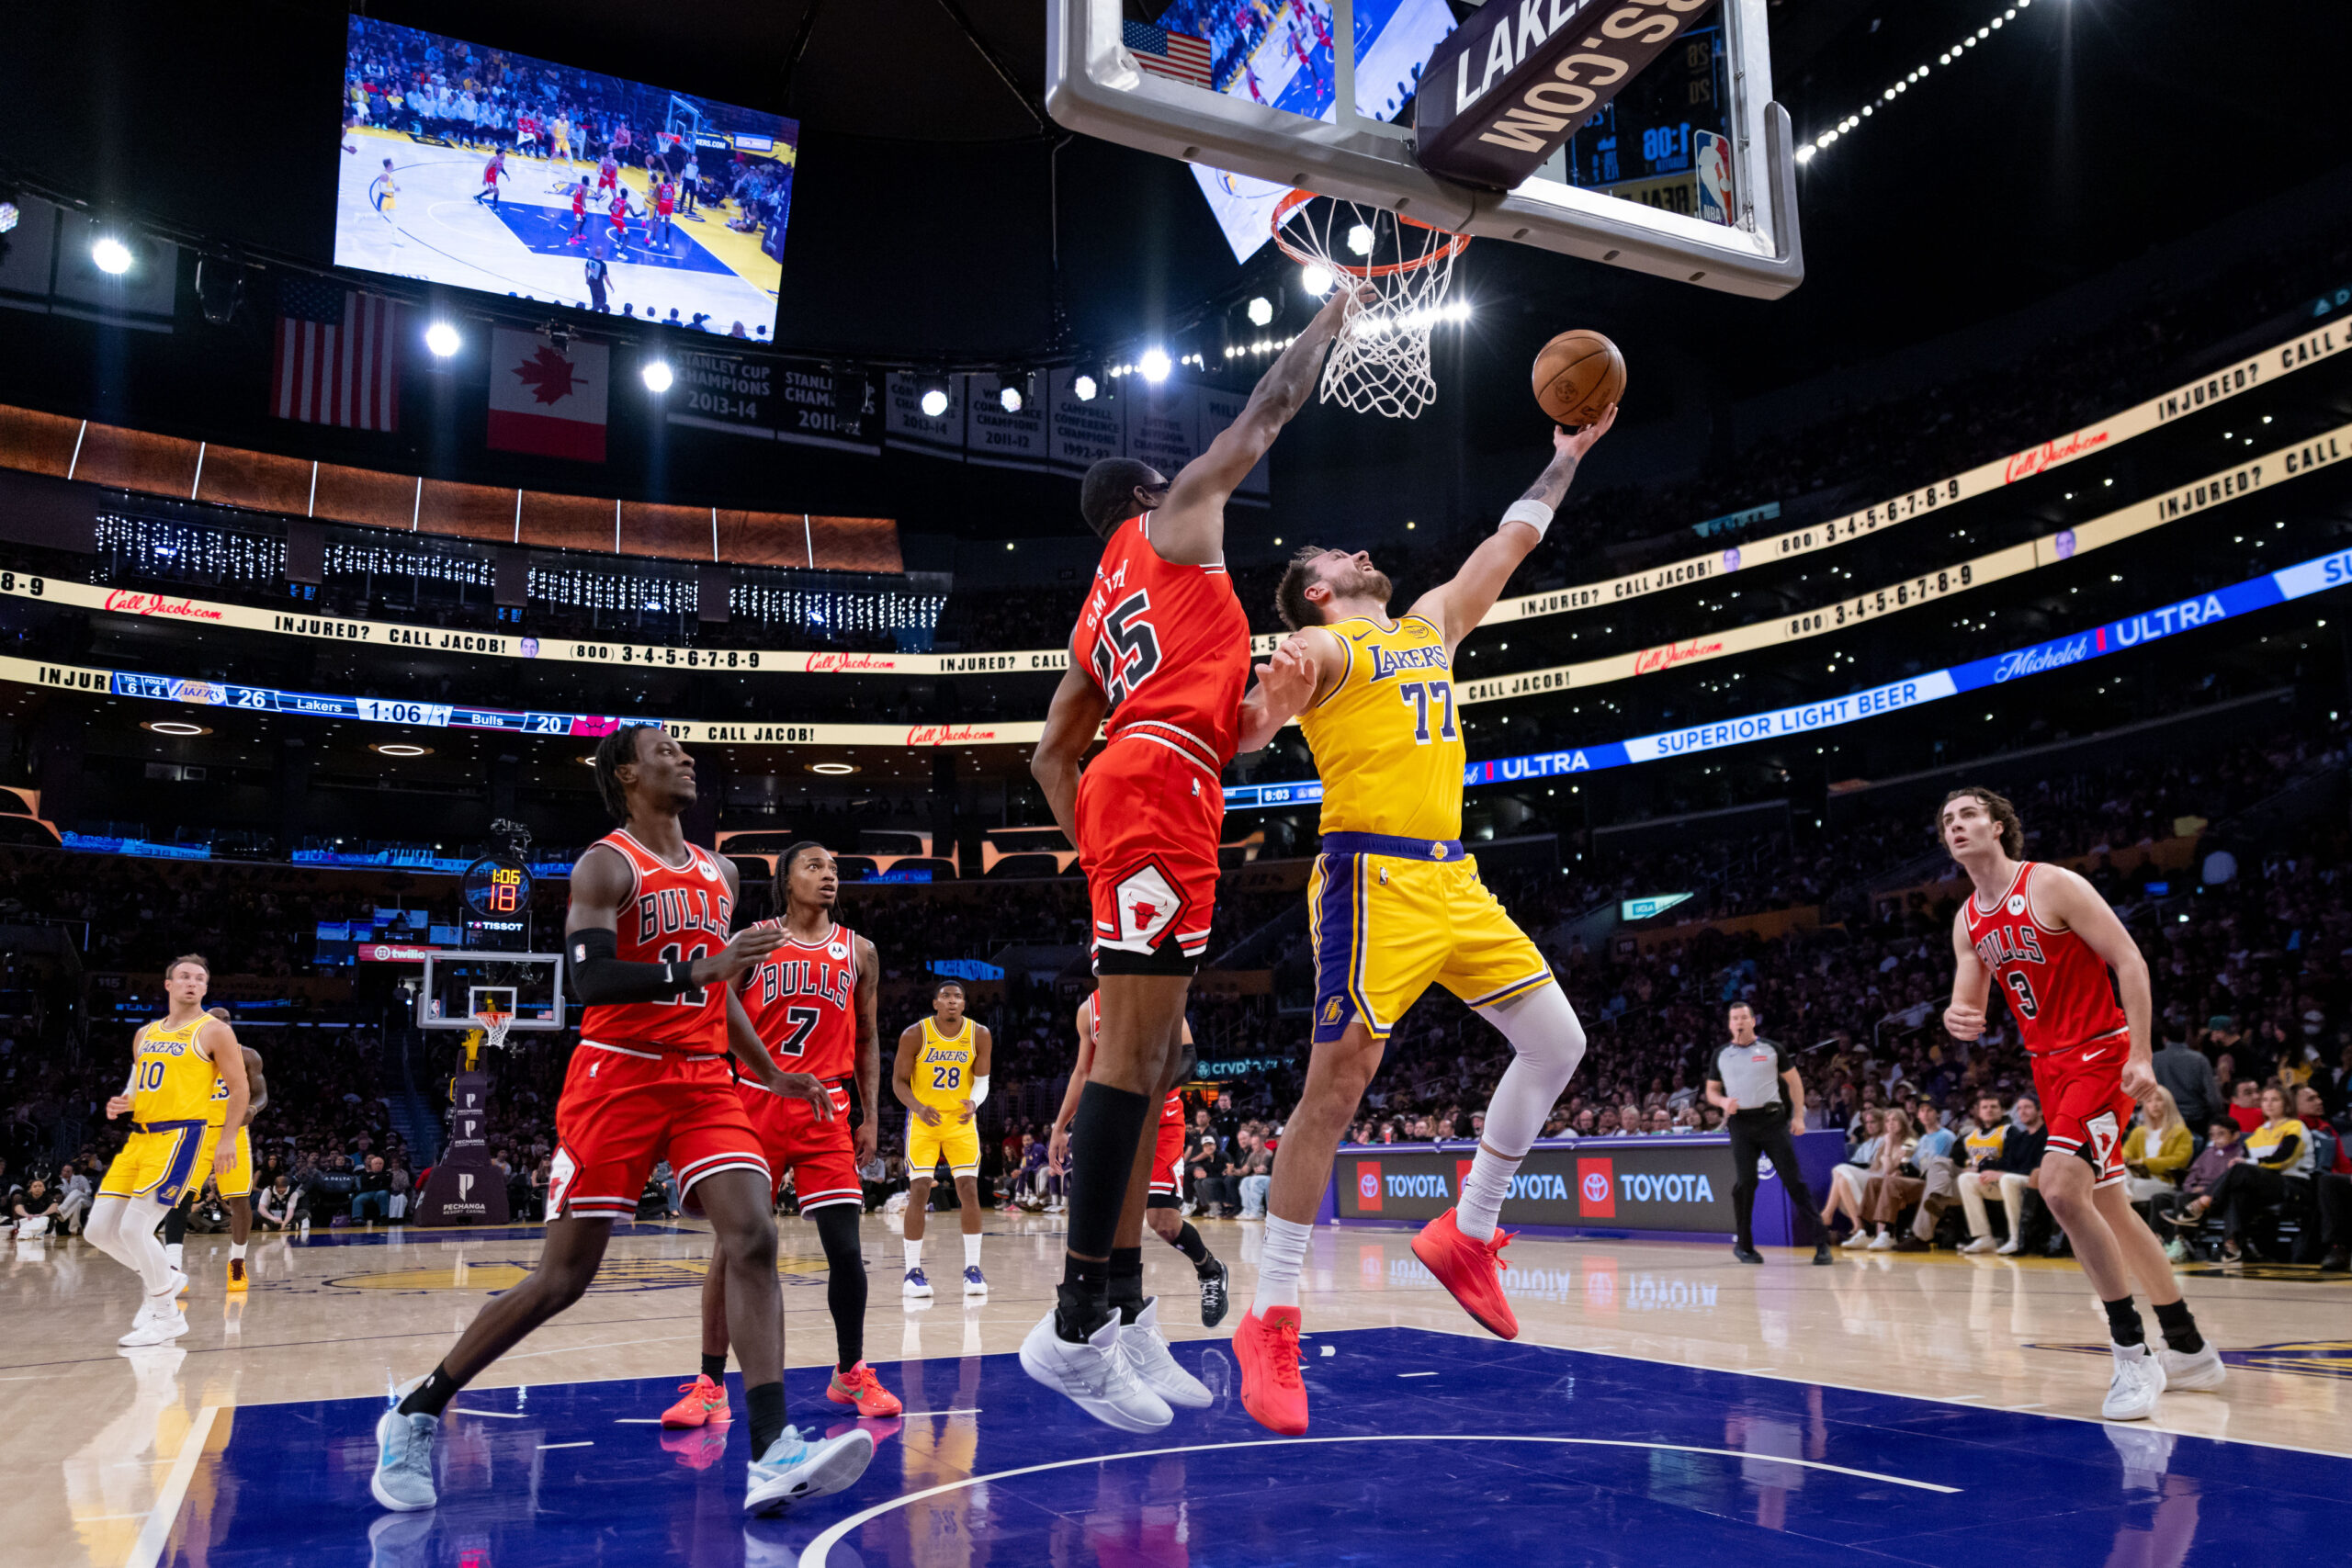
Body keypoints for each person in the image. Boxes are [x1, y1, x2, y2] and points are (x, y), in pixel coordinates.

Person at [1218, 409, 1616, 1437]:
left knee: (1557, 1042)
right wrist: (1265, 704)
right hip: (1371, 880)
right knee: (1335, 1088)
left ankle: (1467, 1231)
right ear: (1317, 590)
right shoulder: (1322, 644)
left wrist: (1563, 458)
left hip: (1453, 879)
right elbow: (1251, 732)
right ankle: (1270, 1314)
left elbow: (1510, 540)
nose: (1359, 552)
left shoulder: (1428, 623)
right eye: (1334, 555)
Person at [369, 723, 873, 1518]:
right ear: (628, 774)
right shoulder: (606, 863)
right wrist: (699, 967)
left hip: (704, 1078)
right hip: (618, 1074)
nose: (685, 757)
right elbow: (590, 978)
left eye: (683, 749)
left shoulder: (721, 871)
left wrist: (771, 1070)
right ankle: (418, 1409)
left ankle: (771, 1449)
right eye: (666, 750)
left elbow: (720, 992)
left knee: (753, 1237)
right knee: (563, 1279)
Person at [1020, 290, 1355, 1433]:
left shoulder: (1098, 613)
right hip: (1161, 788)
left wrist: (1096, 847)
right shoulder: (1166, 528)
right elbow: (1265, 413)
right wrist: (1328, 324)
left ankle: (1122, 1306)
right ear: (1147, 497)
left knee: (1159, 1058)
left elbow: (1047, 756)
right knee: (1130, 1061)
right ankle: (1074, 1324)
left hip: (1153, 791)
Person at [1940, 785, 2223, 1419]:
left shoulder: (2051, 884)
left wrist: (2141, 1054)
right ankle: (2188, 1348)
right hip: (2049, 1067)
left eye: (1968, 814)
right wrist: (1958, 1016)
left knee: (2061, 1190)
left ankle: (2133, 1353)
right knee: (2111, 1208)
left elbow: (2129, 959)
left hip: (2100, 1053)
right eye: (1948, 820)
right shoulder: (1967, 919)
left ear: (1997, 825)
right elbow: (1970, 1004)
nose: (1956, 825)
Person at [661, 841, 901, 1430]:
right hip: (753, 1101)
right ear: (786, 880)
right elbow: (712, 1014)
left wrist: (870, 1115)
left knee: (846, 1249)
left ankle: (850, 1372)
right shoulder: (753, 942)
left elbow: (867, 1036)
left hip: (827, 1105)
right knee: (733, 1249)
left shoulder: (860, 950)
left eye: (834, 867)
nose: (829, 875)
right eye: (814, 866)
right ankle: (710, 1384)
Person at [86, 955, 250, 1348]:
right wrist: (125, 1101)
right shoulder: (145, 1033)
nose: (192, 983)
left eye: (200, 978)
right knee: (98, 1231)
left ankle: (166, 1316)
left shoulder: (214, 1031)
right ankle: (166, 1278)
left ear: (205, 988)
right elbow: (139, 1085)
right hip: (139, 1138)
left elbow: (240, 1088)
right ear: (168, 984)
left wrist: (227, 1138)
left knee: (134, 1228)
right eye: (184, 976)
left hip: (180, 1137)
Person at [1051, 992, 1229, 1350]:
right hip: (1116, 1121)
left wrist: (1142, 1090)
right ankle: (1120, 1313)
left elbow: (1188, 1059)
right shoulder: (1089, 1011)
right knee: (1109, 1222)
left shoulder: (1160, 992)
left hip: (1162, 1122)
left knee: (1163, 1222)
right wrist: (1059, 1127)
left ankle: (1210, 1269)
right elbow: (1083, 1072)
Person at [1706, 1002, 1832, 1265]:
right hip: (1741, 1123)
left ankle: (1822, 1244)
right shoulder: (1721, 1054)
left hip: (1772, 1121)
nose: (1739, 1022)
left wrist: (1798, 1116)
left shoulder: (1772, 1049)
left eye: (1743, 1017)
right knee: (1745, 1184)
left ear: (1753, 1021)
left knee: (1794, 1181)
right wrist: (1722, 1102)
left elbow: (1794, 1082)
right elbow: (1711, 1091)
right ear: (1729, 1024)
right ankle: (1744, 1246)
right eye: (1734, 1018)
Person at [894, 981, 991, 1300]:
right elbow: (899, 1082)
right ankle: (912, 1272)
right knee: (920, 1190)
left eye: (958, 997)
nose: (952, 1001)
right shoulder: (915, 1034)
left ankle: (973, 1269)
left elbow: (982, 1080)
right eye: (946, 996)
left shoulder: (979, 1034)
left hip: (960, 1122)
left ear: (964, 1004)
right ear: (935, 1003)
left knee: (969, 1189)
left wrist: (974, 1102)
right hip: (924, 1121)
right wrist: (919, 1107)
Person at [2173, 1084, 2310, 1261]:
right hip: (2264, 1185)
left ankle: (2203, 1202)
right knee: (2237, 1191)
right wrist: (2244, 1163)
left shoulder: (2295, 1126)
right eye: (2265, 1100)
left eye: (2275, 1099)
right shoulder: (2260, 1132)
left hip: (2292, 1183)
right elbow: (2246, 1162)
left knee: (2241, 1169)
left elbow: (2283, 1159)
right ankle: (2233, 1246)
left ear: (2287, 1103)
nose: (2269, 1104)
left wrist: (2248, 1163)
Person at [198, 1005, 266, 1291]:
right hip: (197, 1131)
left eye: (227, 1020)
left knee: (239, 1199)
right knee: (178, 1197)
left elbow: (261, 1094)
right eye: (217, 1020)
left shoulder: (247, 1055)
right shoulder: (191, 1056)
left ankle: (237, 1262)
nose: (224, 1023)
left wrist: (253, 1109)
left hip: (233, 1132)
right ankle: (172, 1264)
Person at [2120, 1087, 2192, 1205]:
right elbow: (2125, 1153)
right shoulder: (2139, 1132)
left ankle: (2120, 1206)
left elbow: (2179, 1160)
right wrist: (2127, 1160)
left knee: (2124, 1187)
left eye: (2159, 1099)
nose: (2154, 1105)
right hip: (2135, 1177)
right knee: (2119, 1176)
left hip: (2162, 1181)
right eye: (2149, 1101)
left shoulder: (2181, 1132)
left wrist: (2145, 1163)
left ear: (2168, 1103)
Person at [2150, 1032, 2222, 1144]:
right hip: (2196, 1119)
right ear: (2187, 1038)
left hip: (2166, 1118)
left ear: (2165, 1039)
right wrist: (2217, 1115)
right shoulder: (2199, 1059)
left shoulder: (2155, 1059)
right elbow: (2212, 1095)